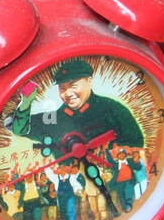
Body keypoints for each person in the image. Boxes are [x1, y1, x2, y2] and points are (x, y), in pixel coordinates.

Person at [12, 59, 146, 154]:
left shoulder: (112, 109)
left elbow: (136, 141)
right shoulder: (55, 118)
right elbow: (20, 128)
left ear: (90, 81)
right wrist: (25, 104)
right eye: (62, 88)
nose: (68, 93)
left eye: (73, 85)